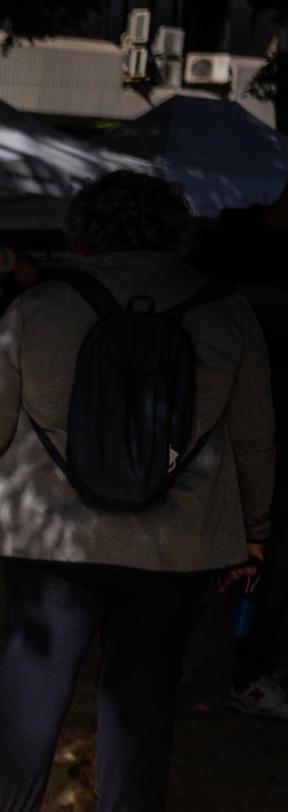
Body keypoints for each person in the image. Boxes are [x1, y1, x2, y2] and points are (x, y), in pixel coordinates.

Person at [0, 170, 272, 812]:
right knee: (143, 688)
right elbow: (257, 439)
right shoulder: (225, 312)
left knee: (32, 678)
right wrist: (254, 534)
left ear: (85, 228)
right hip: (177, 539)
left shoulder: (40, 307)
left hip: (48, 530)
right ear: (174, 228)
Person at [194, 178, 288, 720]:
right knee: (209, 558)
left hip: (267, 434)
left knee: (269, 563)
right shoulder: (230, 239)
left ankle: (249, 670)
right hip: (222, 432)